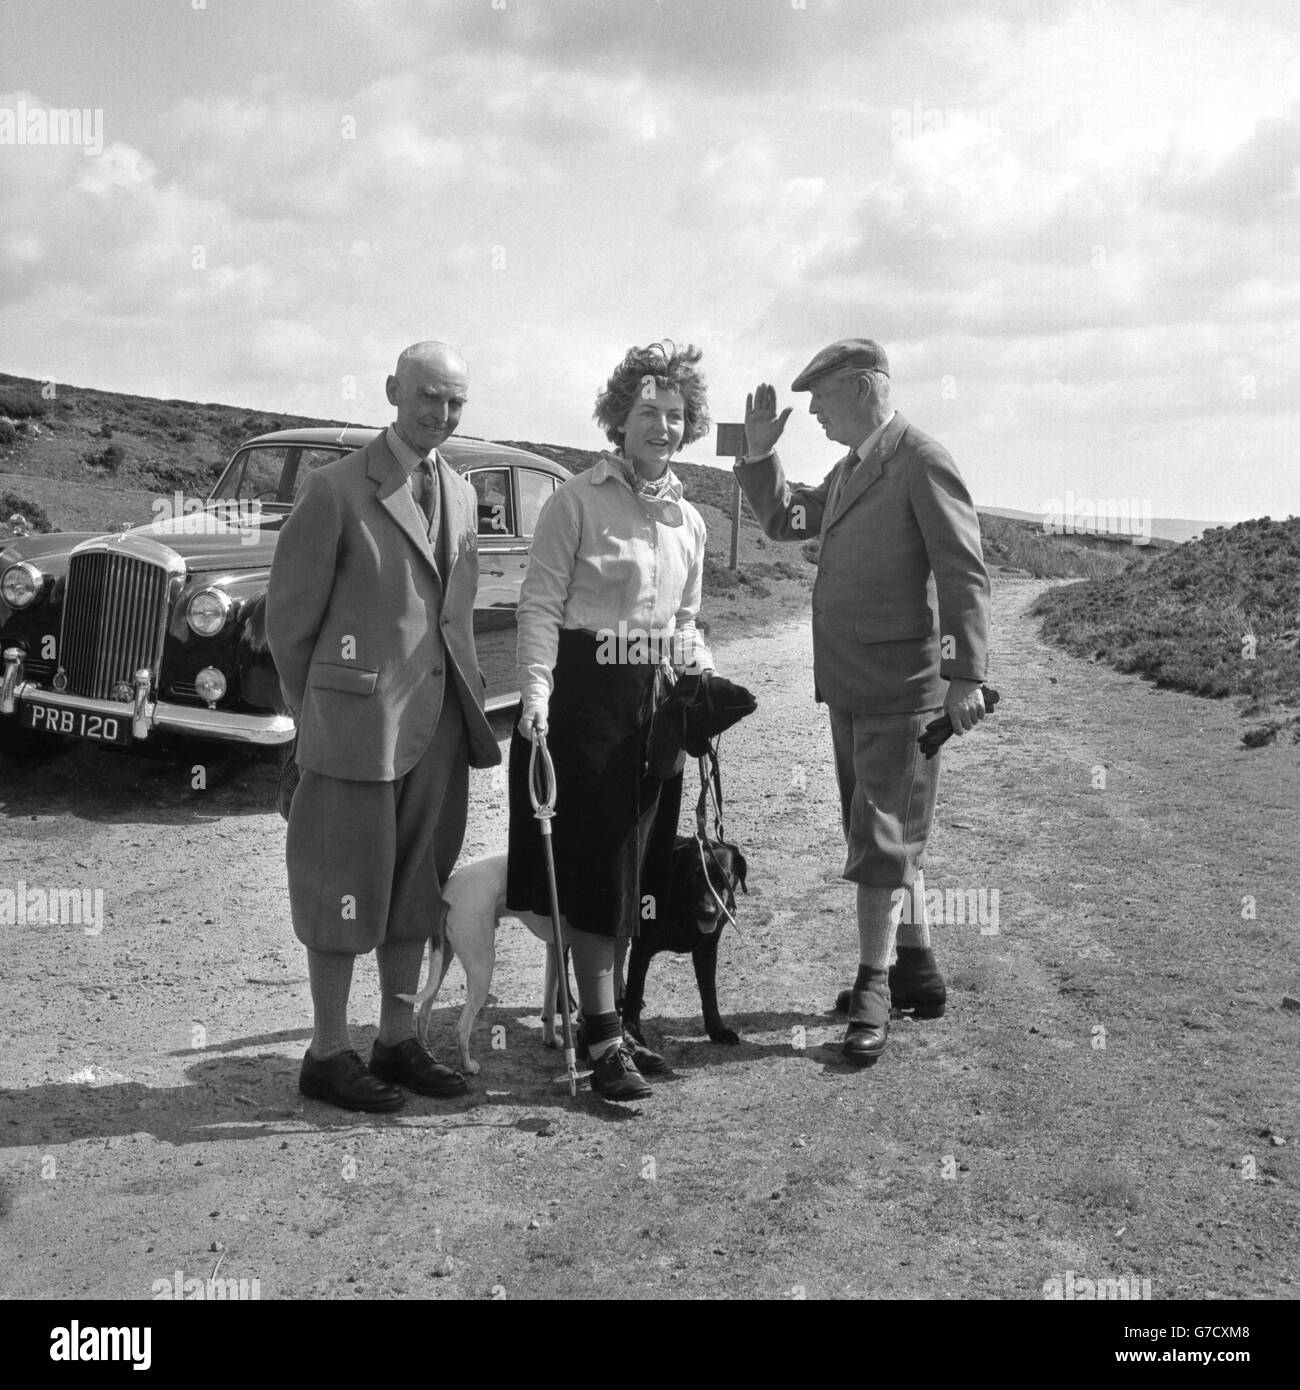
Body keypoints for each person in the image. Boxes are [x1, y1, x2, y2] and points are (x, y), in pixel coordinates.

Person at [737, 339, 991, 1063]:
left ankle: (874, 983)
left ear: (859, 387)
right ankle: (917, 971)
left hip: (899, 690)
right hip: (850, 684)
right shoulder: (854, 466)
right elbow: (788, 522)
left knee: (881, 838)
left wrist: (964, 674)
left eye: (820, 396)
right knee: (889, 833)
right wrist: (759, 457)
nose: (810, 411)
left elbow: (963, 572)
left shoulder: (920, 459)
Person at [267, 341, 501, 1112]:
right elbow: (289, 628)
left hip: (436, 729)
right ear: (394, 390)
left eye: (455, 402)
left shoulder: (463, 494)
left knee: (416, 893)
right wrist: (322, 722)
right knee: (340, 891)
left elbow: (452, 619)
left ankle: (398, 1041)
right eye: (429, 396)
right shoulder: (335, 491)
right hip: (354, 735)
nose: (442, 413)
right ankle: (327, 1053)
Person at [508, 341, 715, 1101]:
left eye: (675, 415)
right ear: (617, 420)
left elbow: (687, 618)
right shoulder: (578, 502)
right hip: (585, 700)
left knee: (638, 870)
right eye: (647, 413)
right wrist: (534, 695)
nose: (662, 426)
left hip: (653, 707)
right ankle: (599, 1039)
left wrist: (700, 668)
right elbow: (539, 605)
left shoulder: (689, 520)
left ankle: (619, 1024)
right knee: (596, 872)